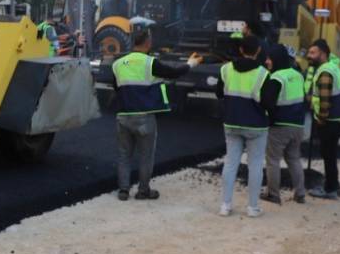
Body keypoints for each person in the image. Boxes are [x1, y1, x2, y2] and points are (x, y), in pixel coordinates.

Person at [111, 30, 202, 201]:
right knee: (146, 155)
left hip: (123, 116)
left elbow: (117, 88)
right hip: (144, 117)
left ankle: (123, 190)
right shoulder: (150, 63)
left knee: (124, 154)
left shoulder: (118, 64)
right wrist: (191, 64)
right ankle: (143, 191)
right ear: (148, 43)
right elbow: (174, 73)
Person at [214, 35, 275, 217]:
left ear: (241, 49)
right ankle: (252, 207)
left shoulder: (225, 70)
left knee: (231, 163)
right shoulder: (263, 74)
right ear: (257, 51)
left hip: (232, 122)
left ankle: (225, 205)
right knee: (255, 165)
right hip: (256, 126)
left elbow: (219, 94)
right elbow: (268, 104)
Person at [261, 46, 307, 205]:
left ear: (277, 58)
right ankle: (300, 194)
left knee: (272, 160)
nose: (266, 61)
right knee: (294, 158)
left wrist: (269, 120)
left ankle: (273, 194)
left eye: (269, 58)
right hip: (298, 125)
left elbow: (268, 103)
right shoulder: (298, 75)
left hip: (280, 126)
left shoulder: (276, 78)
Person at [306, 39, 340, 199]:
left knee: (328, 155)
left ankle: (330, 189)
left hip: (330, 121)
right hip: (338, 119)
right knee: (330, 154)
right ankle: (334, 185)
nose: (309, 56)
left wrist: (321, 119)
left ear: (323, 54)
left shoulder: (325, 72)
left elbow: (325, 100)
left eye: (313, 53)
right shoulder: (331, 67)